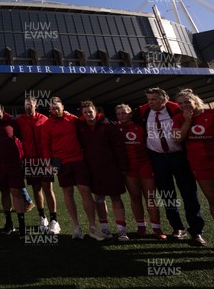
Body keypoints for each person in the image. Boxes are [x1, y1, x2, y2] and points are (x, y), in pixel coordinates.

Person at [133, 87, 205, 244]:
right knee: (167, 196)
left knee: (189, 194)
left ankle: (196, 231)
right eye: (148, 99)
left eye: (154, 99)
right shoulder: (143, 112)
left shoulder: (175, 109)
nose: (150, 102)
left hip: (179, 157)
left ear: (164, 99)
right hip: (157, 158)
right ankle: (177, 228)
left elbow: (182, 132)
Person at [40, 97, 106, 241]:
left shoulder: (73, 119)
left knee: (85, 191)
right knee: (67, 192)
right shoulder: (47, 125)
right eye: (52, 108)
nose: (55, 110)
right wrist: (47, 163)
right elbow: (45, 146)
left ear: (63, 107)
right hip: (62, 163)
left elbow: (88, 120)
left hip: (78, 160)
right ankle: (76, 227)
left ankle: (93, 227)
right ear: (49, 109)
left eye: (57, 107)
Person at [173, 89, 214, 252]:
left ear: (195, 101)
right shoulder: (178, 119)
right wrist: (187, 122)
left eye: (187, 102)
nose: (184, 106)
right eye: (180, 104)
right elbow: (177, 138)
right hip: (200, 166)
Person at [77, 101, 129, 241]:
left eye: (90, 111)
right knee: (99, 199)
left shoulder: (108, 126)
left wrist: (122, 167)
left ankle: (121, 230)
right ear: (82, 114)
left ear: (96, 110)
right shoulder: (81, 127)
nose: (88, 114)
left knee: (115, 198)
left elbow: (119, 148)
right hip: (94, 170)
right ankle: (104, 228)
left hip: (111, 169)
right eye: (85, 112)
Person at [115, 103, 167, 240]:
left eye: (124, 112)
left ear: (130, 113)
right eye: (119, 114)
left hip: (145, 166)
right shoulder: (115, 129)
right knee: (135, 197)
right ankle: (141, 226)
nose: (121, 116)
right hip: (129, 169)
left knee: (150, 198)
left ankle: (157, 228)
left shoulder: (141, 127)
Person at [17, 95, 60, 234]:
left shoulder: (44, 119)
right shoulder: (20, 120)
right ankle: (42, 217)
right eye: (26, 105)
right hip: (30, 160)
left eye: (30, 104)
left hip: (45, 159)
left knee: (48, 188)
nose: (28, 107)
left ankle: (54, 220)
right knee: (36, 189)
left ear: (36, 105)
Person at [0, 104, 27, 238]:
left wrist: (22, 157)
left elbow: (23, 138)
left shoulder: (13, 122)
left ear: (3, 112)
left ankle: (22, 225)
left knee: (16, 192)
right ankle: (9, 223)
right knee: (5, 192)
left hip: (13, 164)